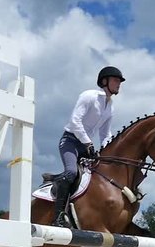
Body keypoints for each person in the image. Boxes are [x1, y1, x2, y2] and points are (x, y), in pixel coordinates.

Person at [51, 66, 126, 228]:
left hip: (86, 147)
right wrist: (88, 143)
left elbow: (105, 134)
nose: (119, 84)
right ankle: (58, 216)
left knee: (100, 176)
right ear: (104, 81)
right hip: (70, 141)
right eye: (116, 80)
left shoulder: (110, 107)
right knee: (71, 172)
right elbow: (74, 122)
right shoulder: (89, 96)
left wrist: (107, 152)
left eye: (119, 81)